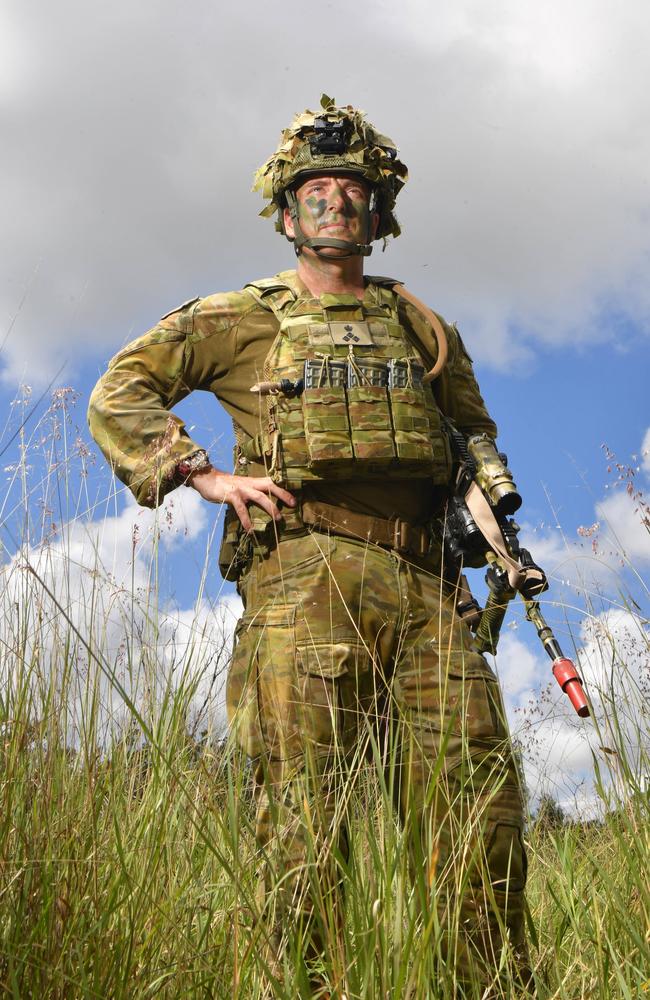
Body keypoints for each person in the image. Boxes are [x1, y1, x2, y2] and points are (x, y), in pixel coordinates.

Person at [88, 96, 531, 995]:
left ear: (381, 213)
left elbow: (472, 437)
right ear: (287, 214)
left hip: (427, 586)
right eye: (316, 188)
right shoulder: (238, 316)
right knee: (304, 817)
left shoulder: (423, 330)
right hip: (305, 574)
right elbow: (121, 389)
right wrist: (198, 474)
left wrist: (493, 518)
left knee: (478, 808)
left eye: (354, 187)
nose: (337, 200)